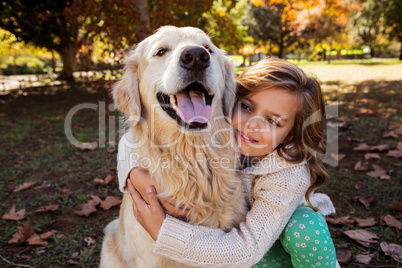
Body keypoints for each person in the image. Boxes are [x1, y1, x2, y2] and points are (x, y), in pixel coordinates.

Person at [119, 57, 339, 267]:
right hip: (231, 251)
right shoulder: (214, 127)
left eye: (272, 121)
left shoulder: (287, 176)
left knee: (304, 228)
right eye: (246, 107)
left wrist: (163, 233)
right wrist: (135, 173)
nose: (252, 125)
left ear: (290, 135)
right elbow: (134, 139)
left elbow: (247, 248)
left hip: (265, 244)